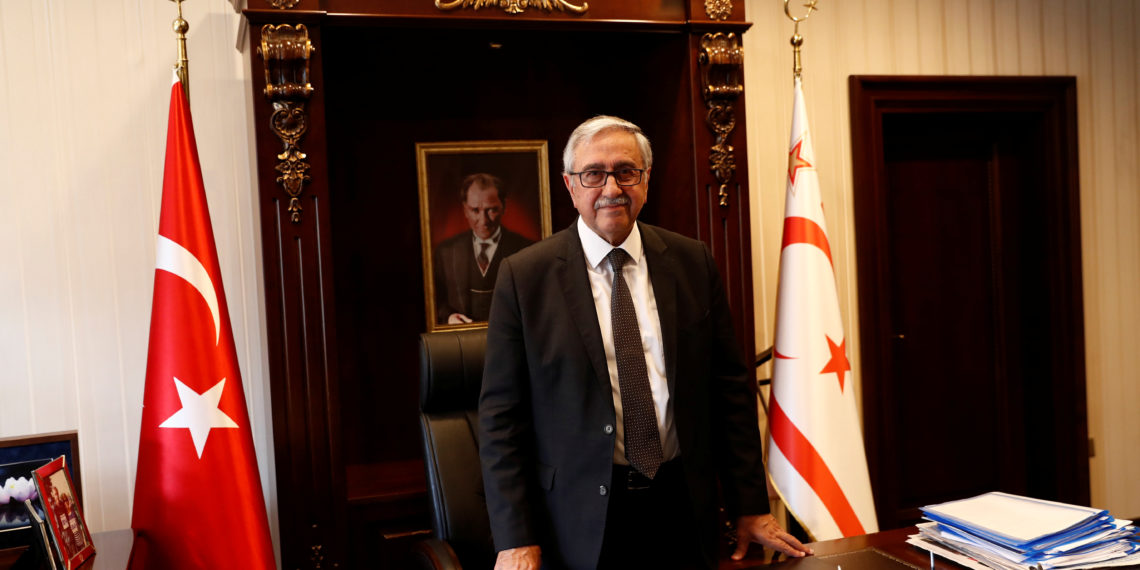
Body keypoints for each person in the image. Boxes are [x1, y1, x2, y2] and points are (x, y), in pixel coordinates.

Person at [478, 116, 813, 569]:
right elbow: (502, 420)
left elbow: (729, 392)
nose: (611, 188)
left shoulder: (692, 261)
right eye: (593, 174)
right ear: (570, 186)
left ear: (646, 180)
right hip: (578, 519)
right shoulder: (525, 277)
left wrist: (749, 503)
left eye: (626, 171)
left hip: (683, 505)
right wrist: (515, 537)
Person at [434, 173, 533, 325]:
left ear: (504, 207)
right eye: (475, 210)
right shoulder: (446, 252)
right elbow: (436, 300)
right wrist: (449, 317)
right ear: (465, 210)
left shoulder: (527, 249)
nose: (483, 221)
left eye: (491, 210)